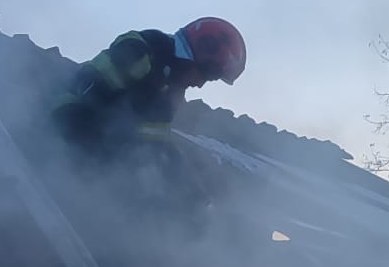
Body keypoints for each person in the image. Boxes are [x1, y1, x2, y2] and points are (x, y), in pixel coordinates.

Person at [49, 17, 247, 167]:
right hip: (60, 129)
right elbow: (86, 89)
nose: (201, 85)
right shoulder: (144, 50)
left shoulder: (171, 94)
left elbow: (153, 144)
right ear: (200, 49)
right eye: (209, 75)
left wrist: (182, 179)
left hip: (97, 154)